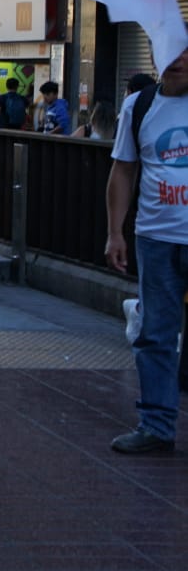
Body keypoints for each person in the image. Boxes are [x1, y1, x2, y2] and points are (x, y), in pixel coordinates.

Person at [105, 32, 188, 453]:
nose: (177, 59)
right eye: (168, 51)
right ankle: (156, 425)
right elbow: (123, 170)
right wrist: (115, 231)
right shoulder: (138, 105)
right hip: (155, 237)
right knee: (155, 333)